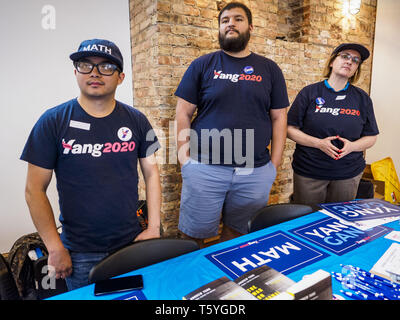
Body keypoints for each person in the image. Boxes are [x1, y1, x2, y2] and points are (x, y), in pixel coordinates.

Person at [20, 39, 161, 290]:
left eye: (106, 67)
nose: (95, 73)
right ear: (75, 72)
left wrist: (154, 228)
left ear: (120, 77)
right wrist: (54, 247)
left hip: (131, 242)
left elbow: (151, 173)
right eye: (86, 65)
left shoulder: (138, 120)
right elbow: (34, 190)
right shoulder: (52, 121)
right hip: (79, 252)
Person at [174, 2, 289, 245]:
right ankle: (195, 282)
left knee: (239, 236)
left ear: (250, 27)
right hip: (205, 167)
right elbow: (183, 113)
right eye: (225, 20)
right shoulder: (202, 65)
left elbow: (279, 118)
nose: (230, 24)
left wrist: (273, 165)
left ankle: (230, 281)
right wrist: (185, 160)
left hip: (254, 171)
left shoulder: (270, 69)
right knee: (192, 238)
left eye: (238, 19)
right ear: (219, 28)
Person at [287, 43, 379, 206]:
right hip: (310, 172)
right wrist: (318, 143)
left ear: (356, 68)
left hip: (348, 174)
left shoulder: (362, 98)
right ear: (331, 62)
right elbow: (289, 129)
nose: (350, 62)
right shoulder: (309, 93)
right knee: (306, 221)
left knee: (339, 222)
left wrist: (352, 146)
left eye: (355, 60)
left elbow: (371, 137)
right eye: (345, 56)